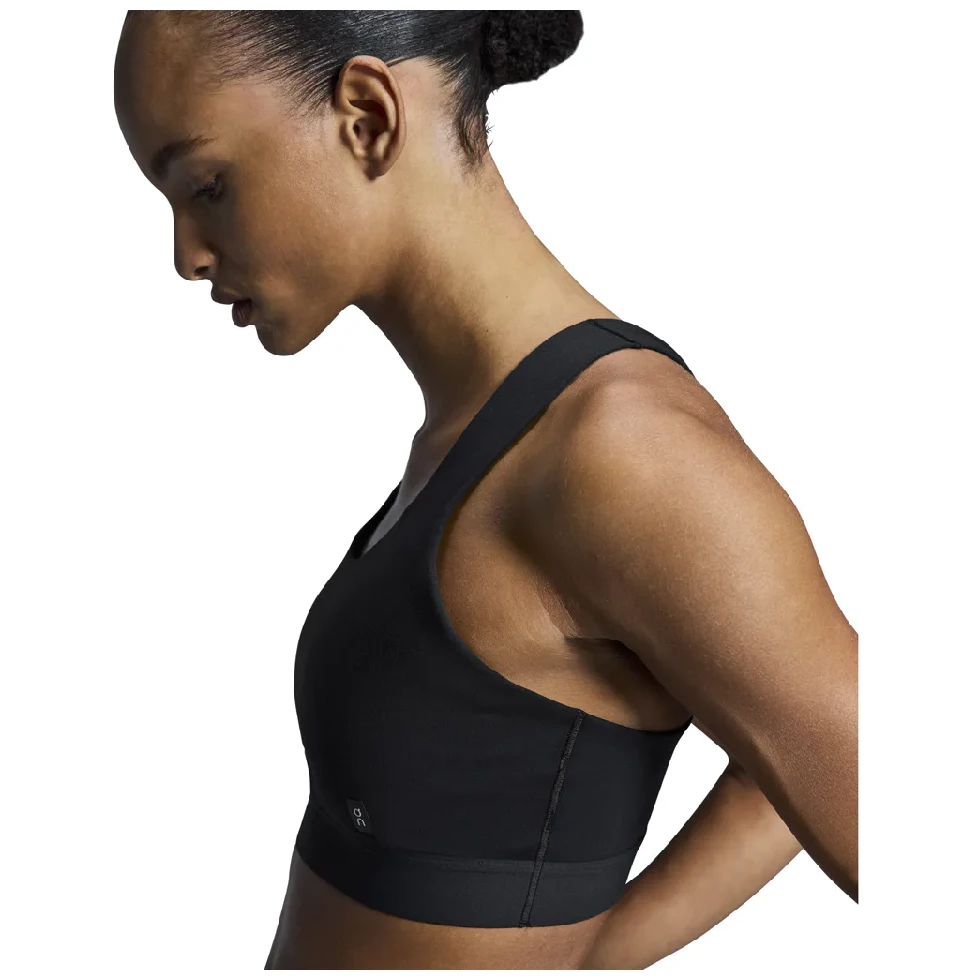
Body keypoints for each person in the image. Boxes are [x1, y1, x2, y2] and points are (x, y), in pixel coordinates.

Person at [113, 10, 857, 970]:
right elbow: (790, 745)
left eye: (205, 186)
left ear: (368, 117)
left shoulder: (622, 455)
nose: (186, 254)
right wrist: (594, 961)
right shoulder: (479, 435)